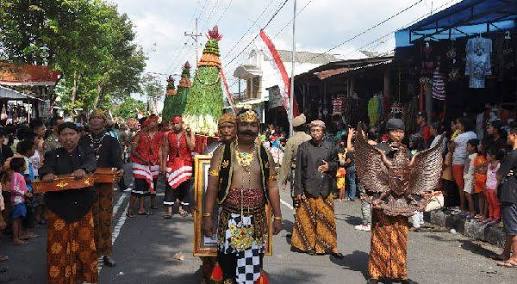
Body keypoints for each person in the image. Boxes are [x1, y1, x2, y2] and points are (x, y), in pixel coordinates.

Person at [203, 109, 282, 283]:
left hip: (256, 220)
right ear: (237, 126)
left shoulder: (264, 154)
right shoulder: (222, 153)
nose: (248, 128)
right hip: (229, 219)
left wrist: (278, 216)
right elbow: (213, 187)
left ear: (258, 128)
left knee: (252, 269)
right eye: (244, 124)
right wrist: (207, 216)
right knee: (227, 269)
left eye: (253, 125)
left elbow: (273, 186)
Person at [363, 118, 424, 284]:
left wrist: (420, 197)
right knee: (381, 236)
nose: (398, 134)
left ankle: (400, 273)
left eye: (401, 131)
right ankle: (375, 273)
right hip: (383, 200)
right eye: (395, 131)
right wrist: (373, 197)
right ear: (387, 133)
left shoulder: (407, 151)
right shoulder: (378, 150)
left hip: (402, 202)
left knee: (401, 237)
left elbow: (412, 176)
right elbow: (369, 174)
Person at [39, 122, 98, 284]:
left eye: (71, 134)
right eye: (64, 135)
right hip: (58, 206)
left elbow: (92, 164)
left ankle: (86, 278)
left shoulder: (87, 152)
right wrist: (47, 174)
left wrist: (84, 170)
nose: (68, 138)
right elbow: (43, 169)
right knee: (57, 245)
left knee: (85, 244)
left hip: (83, 205)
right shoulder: (52, 154)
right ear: (59, 137)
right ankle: (59, 279)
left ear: (78, 136)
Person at [291, 120, 344, 259]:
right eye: (313, 130)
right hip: (308, 188)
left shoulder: (331, 146)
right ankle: (309, 245)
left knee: (327, 220)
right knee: (307, 219)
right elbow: (298, 171)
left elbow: (337, 163)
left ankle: (329, 246)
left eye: (318, 130)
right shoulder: (303, 147)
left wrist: (330, 167)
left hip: (325, 188)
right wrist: (298, 191)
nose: (315, 133)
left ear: (323, 132)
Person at [81, 109, 123, 267]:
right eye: (92, 118)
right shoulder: (83, 139)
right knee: (89, 218)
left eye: (99, 118)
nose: (95, 120)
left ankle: (107, 253)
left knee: (105, 219)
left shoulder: (111, 140)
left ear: (104, 121)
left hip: (105, 184)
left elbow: (118, 161)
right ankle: (89, 252)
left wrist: (120, 170)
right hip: (85, 185)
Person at [199, 112, 237, 284]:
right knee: (211, 248)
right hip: (216, 206)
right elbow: (202, 182)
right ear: (218, 130)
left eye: (230, 127)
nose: (227, 131)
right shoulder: (211, 149)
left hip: (239, 208)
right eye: (223, 127)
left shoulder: (247, 148)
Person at [162, 115, 195, 218]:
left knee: (184, 186)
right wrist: (163, 165)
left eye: (178, 123)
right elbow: (165, 150)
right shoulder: (168, 134)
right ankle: (169, 210)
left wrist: (187, 135)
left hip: (185, 163)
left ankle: (182, 208)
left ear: (182, 123)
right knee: (170, 185)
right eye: (174, 123)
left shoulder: (189, 133)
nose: (176, 125)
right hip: (172, 163)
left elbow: (192, 147)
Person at [129, 115, 160, 216]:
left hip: (147, 164)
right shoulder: (139, 135)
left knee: (144, 187)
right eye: (151, 122)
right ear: (146, 124)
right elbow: (133, 151)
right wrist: (143, 159)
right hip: (138, 164)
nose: (153, 124)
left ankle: (141, 208)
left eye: (154, 122)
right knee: (138, 187)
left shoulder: (149, 135)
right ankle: (130, 209)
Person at [495, 122, 517, 268]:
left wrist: (503, 174)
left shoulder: (512, 155)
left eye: (509, 134)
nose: (507, 137)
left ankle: (515, 258)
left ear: (514, 136)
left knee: (513, 226)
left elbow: (498, 175)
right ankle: (506, 252)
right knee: (510, 225)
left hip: (510, 192)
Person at [279, 114, 311, 206]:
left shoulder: (291, 141)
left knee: (296, 197)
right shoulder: (310, 138)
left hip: (296, 172)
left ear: (293, 128)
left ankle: (297, 218)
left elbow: (286, 161)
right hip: (309, 172)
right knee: (308, 197)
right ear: (305, 126)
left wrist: (283, 179)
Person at [452, 117, 477, 212]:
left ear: (463, 125)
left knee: (460, 185)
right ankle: (469, 208)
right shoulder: (474, 134)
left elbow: (451, 147)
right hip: (469, 160)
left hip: (458, 161)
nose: (457, 125)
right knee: (468, 186)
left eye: (459, 123)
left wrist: (455, 134)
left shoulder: (459, 136)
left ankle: (463, 206)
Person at [9, 157, 31, 245]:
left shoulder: (19, 175)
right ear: (21, 166)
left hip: (20, 200)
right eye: (24, 164)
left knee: (19, 218)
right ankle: (15, 238)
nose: (26, 166)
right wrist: (24, 193)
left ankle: (19, 235)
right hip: (17, 201)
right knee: (16, 219)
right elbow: (13, 188)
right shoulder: (16, 175)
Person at [485, 148, 502, 223]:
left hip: (494, 187)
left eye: (488, 155)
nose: (486, 157)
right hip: (488, 187)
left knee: (495, 203)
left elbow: (499, 178)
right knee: (490, 203)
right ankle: (491, 216)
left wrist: (496, 188)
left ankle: (496, 217)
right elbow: (488, 176)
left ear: (493, 156)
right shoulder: (489, 164)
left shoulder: (498, 165)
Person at [463, 139, 479, 217]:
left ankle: (472, 212)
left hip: (470, 177)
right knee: (467, 194)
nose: (466, 147)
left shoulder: (475, 156)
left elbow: (473, 168)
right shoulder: (469, 155)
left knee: (468, 195)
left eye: (468, 146)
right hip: (467, 177)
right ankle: (471, 211)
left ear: (473, 147)